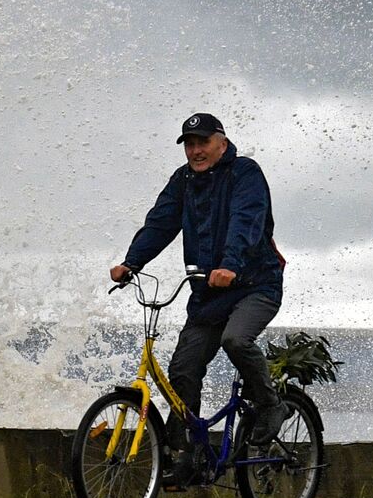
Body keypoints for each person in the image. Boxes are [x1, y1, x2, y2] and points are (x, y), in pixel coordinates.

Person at [109, 112, 288, 479]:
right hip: (210, 294)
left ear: (221, 142)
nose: (195, 151)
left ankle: (271, 405)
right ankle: (187, 455)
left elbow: (247, 220)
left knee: (236, 340)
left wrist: (231, 264)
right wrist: (131, 262)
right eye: (189, 144)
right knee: (182, 370)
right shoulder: (183, 181)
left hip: (256, 284)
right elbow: (160, 223)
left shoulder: (245, 173)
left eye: (202, 143)